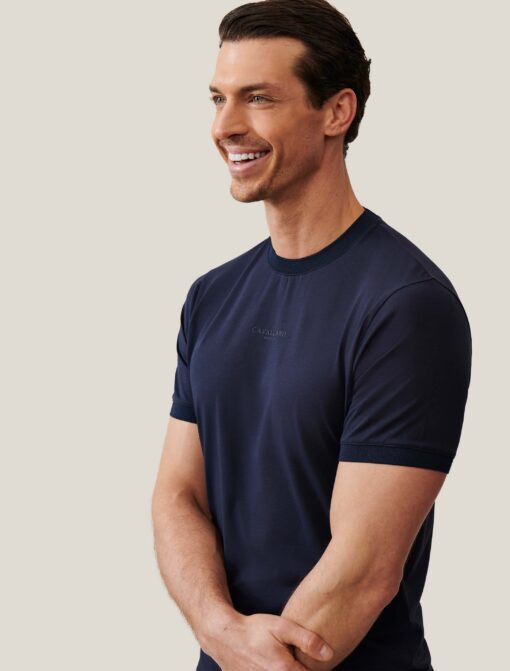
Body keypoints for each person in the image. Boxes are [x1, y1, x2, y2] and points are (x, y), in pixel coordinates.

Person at [151, 1, 472, 669]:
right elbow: (178, 495)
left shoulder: (406, 305)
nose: (225, 125)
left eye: (258, 98)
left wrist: (243, 655)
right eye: (218, 98)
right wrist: (221, 631)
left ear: (336, 112)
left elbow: (363, 571)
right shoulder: (210, 297)